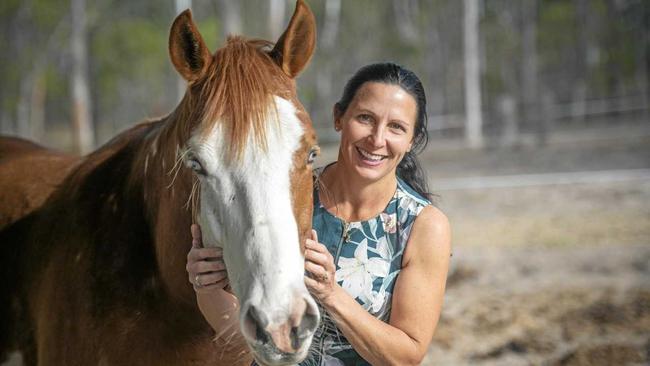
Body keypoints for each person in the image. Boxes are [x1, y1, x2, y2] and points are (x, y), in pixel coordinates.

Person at [186, 62, 451, 365]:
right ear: (339, 117)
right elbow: (242, 330)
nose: (377, 139)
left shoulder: (423, 226)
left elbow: (406, 356)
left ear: (412, 140)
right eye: (365, 118)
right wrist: (206, 288)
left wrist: (330, 294)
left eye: (396, 127)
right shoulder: (282, 199)